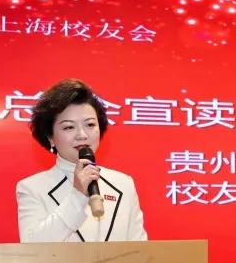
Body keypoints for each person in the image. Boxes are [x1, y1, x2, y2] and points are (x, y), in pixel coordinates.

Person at [16, 78, 147, 243]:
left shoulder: (123, 184)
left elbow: (139, 248)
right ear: (50, 138)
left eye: (90, 125)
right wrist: (77, 196)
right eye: (69, 127)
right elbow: (31, 246)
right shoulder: (32, 188)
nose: (82, 135)